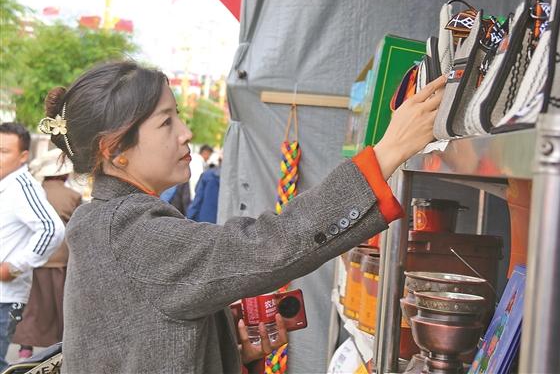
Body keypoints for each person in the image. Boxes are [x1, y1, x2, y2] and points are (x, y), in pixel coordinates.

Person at [37, 61, 443, 373]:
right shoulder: (128, 231)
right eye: (166, 122)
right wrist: (387, 153)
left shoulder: (107, 222)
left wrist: (226, 348)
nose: (185, 132)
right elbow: (269, 245)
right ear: (113, 149)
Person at [0, 123, 65, 371]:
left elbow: (51, 229)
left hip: (5, 298)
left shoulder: (21, 185)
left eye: (4, 151)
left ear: (23, 156)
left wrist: (14, 267)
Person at [12, 148, 82, 358]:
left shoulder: (32, 193)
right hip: (61, 259)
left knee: (32, 306)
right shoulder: (73, 196)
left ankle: (25, 348)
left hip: (33, 255)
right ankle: (60, 349)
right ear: (65, 174)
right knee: (60, 304)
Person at [186, 153, 221, 223]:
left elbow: (198, 198)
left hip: (204, 219)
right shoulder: (234, 179)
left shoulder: (207, 175)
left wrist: (189, 216)